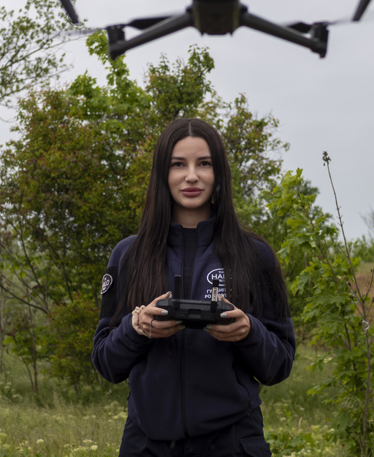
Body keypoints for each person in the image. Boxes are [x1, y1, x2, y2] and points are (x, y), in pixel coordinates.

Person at [92, 118, 296, 457]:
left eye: (204, 163)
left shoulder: (255, 254)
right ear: (162, 173)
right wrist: (136, 327)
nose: (191, 176)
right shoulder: (129, 254)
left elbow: (281, 364)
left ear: (219, 174)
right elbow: (105, 363)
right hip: (146, 443)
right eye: (178, 165)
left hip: (233, 441)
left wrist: (248, 331)